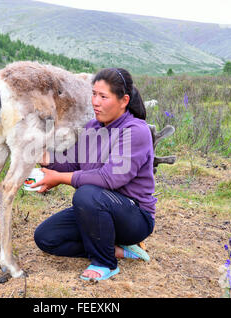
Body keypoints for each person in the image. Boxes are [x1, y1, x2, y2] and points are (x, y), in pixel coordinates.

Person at [32, 67, 157, 281]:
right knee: (46, 238)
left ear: (123, 100)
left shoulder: (136, 131)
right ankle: (117, 250)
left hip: (134, 218)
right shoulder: (92, 127)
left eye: (103, 96)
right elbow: (71, 163)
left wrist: (59, 179)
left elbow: (110, 178)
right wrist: (47, 159)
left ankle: (105, 263)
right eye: (94, 94)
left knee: (86, 194)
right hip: (97, 210)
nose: (95, 102)